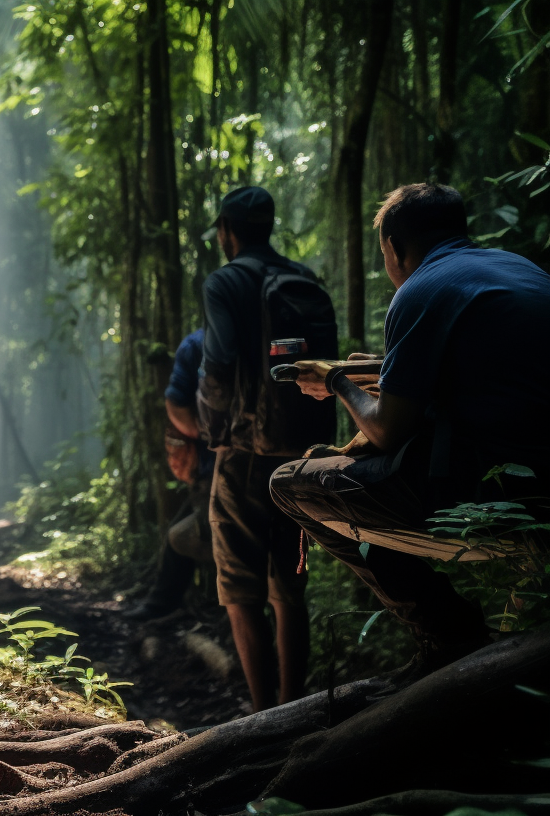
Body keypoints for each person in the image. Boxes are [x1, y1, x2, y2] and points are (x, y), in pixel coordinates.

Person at [273, 183, 550, 673]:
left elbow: (386, 432)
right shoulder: (523, 270)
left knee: (289, 485)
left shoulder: (421, 289)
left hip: (478, 491)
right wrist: (375, 371)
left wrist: (336, 379)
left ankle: (449, 636)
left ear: (395, 248)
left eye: (384, 253)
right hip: (541, 484)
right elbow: (477, 374)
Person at [198, 186, 338, 712]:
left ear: (228, 231)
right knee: (289, 588)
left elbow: (218, 361)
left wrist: (215, 433)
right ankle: (294, 710)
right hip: (301, 456)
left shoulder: (225, 281)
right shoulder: (301, 280)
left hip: (243, 455)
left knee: (239, 588)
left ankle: (262, 718)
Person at [123, 328, 219, 620]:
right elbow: (176, 401)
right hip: (211, 474)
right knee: (178, 535)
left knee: (185, 536)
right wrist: (208, 434)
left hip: (229, 475)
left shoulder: (201, 343)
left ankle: (223, 612)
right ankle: (163, 604)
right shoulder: (198, 344)